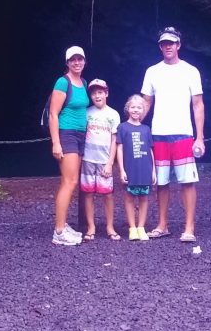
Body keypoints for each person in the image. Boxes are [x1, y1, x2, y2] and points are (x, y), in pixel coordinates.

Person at [140, 26, 204, 242]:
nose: (167, 46)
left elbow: (197, 104)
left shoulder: (190, 71)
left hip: (183, 133)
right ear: (160, 46)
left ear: (178, 45)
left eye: (171, 43)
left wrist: (200, 137)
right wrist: (135, 125)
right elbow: (145, 102)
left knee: (187, 181)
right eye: (164, 43)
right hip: (159, 133)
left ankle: (189, 228)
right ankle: (162, 224)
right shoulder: (152, 71)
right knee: (162, 182)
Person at [49, 46, 90, 247]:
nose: (77, 62)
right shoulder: (62, 82)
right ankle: (58, 231)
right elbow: (53, 113)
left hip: (81, 135)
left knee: (72, 181)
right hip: (67, 134)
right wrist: (56, 142)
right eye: (73, 59)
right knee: (69, 181)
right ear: (67, 62)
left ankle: (63, 224)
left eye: (80, 59)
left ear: (84, 61)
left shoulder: (83, 82)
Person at [81, 78, 122, 241]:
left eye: (100, 92)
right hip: (87, 160)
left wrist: (110, 163)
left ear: (106, 93)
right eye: (93, 93)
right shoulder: (86, 112)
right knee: (88, 193)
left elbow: (114, 140)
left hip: (104, 160)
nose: (97, 96)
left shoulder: (113, 114)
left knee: (108, 194)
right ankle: (91, 227)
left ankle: (110, 226)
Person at [116, 94, 156, 241]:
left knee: (144, 198)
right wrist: (121, 170)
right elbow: (119, 149)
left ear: (143, 110)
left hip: (145, 169)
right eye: (133, 107)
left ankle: (141, 227)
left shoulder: (146, 129)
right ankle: (132, 228)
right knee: (129, 198)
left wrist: (153, 171)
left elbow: (150, 150)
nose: (136, 110)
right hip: (130, 169)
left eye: (139, 107)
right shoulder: (122, 127)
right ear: (128, 108)